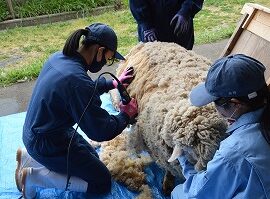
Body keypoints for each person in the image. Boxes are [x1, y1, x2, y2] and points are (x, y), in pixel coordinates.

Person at [15, 22, 138, 198]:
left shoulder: (58, 58)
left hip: (38, 132)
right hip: (47, 143)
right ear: (100, 51)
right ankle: (34, 178)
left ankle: (30, 158)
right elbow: (99, 129)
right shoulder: (77, 81)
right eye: (108, 58)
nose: (105, 64)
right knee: (102, 181)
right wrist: (126, 115)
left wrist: (112, 83)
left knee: (91, 156)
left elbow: (77, 90)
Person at [171, 54, 270, 198]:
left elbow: (199, 194)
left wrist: (183, 159)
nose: (216, 110)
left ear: (235, 104)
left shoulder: (235, 151)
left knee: (178, 192)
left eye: (215, 102)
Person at [129, 0, 204, 50]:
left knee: (183, 65)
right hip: (151, 30)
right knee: (151, 66)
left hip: (180, 25)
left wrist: (186, 10)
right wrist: (146, 25)